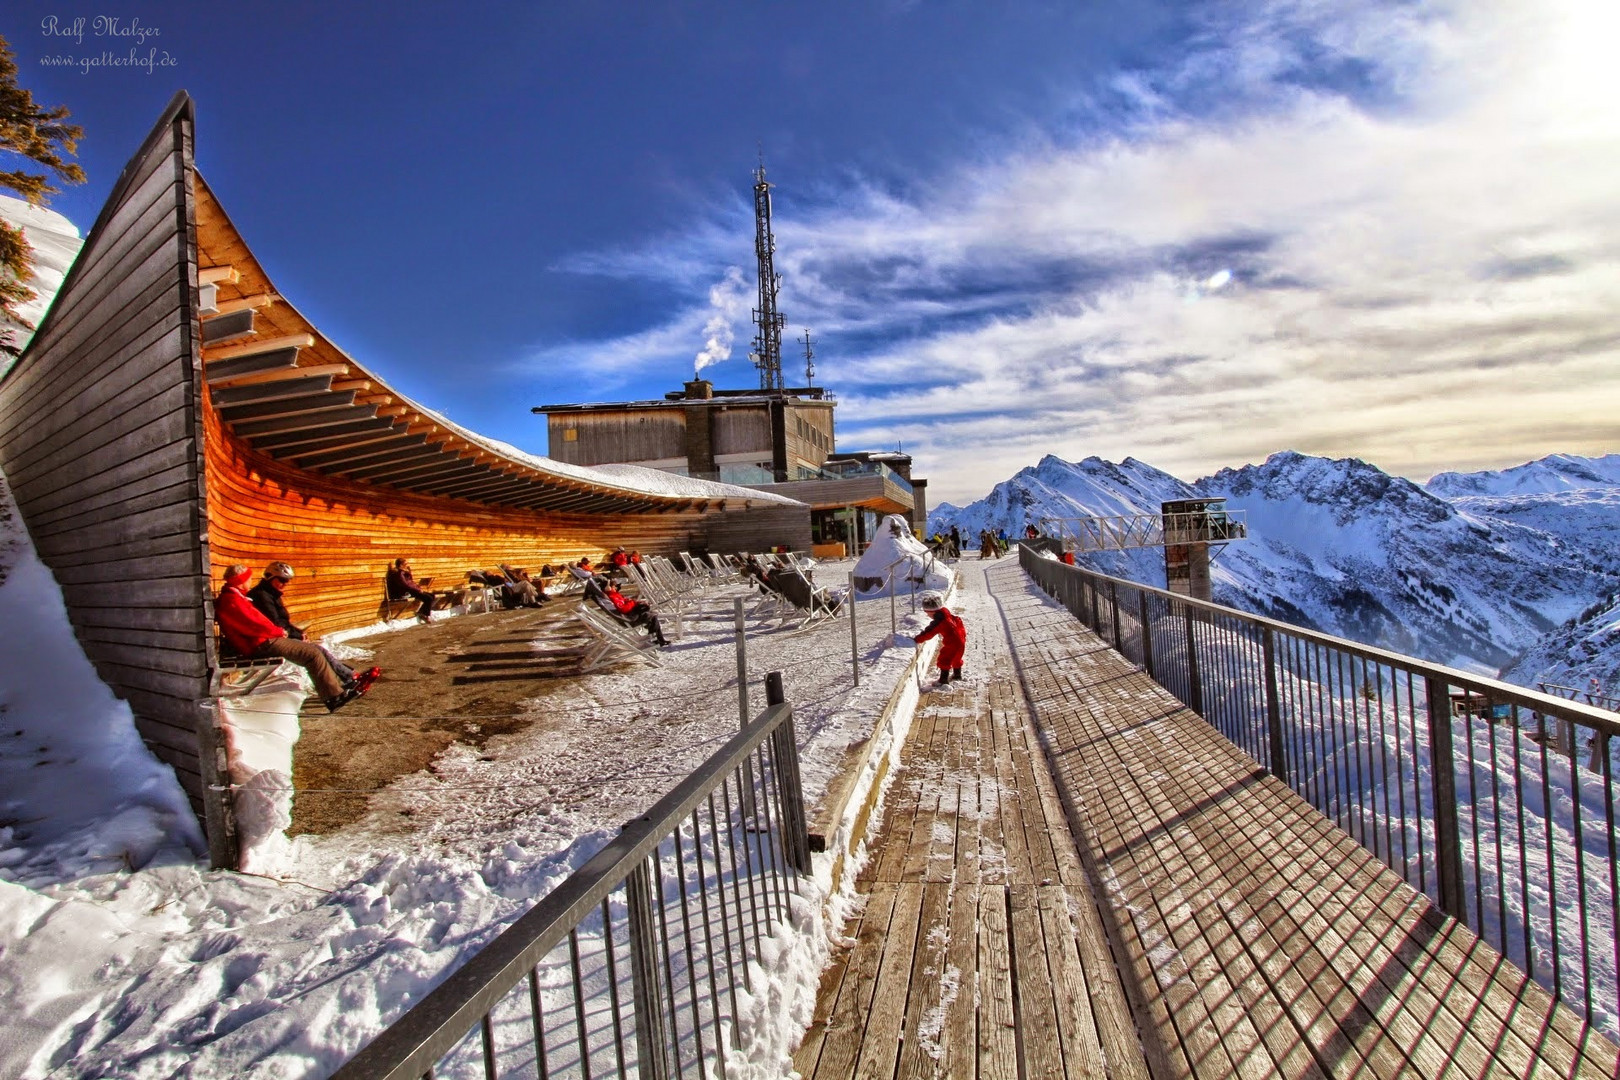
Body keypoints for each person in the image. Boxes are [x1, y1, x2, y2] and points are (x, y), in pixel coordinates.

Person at [217, 565, 363, 712]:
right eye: (248, 578)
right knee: (312, 654)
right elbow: (252, 624)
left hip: (261, 640)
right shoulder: (232, 600)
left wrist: (278, 631)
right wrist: (278, 631)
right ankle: (334, 697)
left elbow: (257, 622)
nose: (250, 581)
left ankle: (337, 691)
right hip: (259, 643)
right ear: (241, 580)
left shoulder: (236, 597)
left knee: (313, 651)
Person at [247, 562, 378, 691]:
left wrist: (298, 633)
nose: (285, 584)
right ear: (270, 577)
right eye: (282, 580)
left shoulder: (271, 594)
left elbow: (282, 622)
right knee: (314, 652)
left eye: (287, 581)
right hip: (268, 641)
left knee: (318, 650)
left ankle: (349, 677)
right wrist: (297, 635)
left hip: (276, 637)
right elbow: (276, 623)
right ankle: (345, 681)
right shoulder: (262, 596)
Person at [914, 591, 967, 687]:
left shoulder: (940, 621)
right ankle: (957, 675)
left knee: (944, 659)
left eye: (927, 613)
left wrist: (917, 639)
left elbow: (929, 633)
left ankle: (943, 680)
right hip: (961, 639)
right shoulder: (946, 614)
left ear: (932, 611)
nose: (927, 615)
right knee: (956, 658)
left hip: (952, 643)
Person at [599, 580, 669, 646]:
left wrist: (634, 602)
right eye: (614, 587)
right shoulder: (612, 597)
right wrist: (632, 602)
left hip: (630, 614)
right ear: (608, 588)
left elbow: (624, 601)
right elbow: (624, 609)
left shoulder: (615, 595)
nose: (615, 588)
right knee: (652, 616)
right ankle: (658, 639)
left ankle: (657, 639)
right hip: (629, 618)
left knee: (650, 614)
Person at [386, 557, 436, 621]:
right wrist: (418, 590)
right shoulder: (399, 574)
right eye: (405, 564)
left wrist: (410, 572)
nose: (407, 565)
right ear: (401, 565)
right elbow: (406, 585)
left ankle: (421, 612)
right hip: (407, 592)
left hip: (412, 590)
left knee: (432, 596)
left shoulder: (403, 572)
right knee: (428, 598)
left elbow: (410, 582)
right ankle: (424, 615)